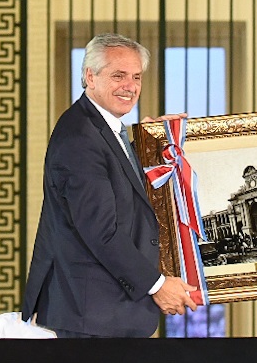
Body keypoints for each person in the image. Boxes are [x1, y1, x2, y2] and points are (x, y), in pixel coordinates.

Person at [21, 32, 198, 337]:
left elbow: (122, 187)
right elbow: (101, 231)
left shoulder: (104, 130)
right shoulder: (80, 137)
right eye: (119, 75)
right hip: (91, 319)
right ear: (90, 76)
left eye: (136, 77)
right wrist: (156, 285)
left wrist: (153, 142)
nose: (130, 87)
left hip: (106, 316)